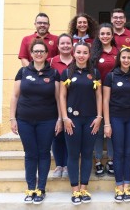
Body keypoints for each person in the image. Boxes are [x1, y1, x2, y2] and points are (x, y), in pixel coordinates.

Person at [10, 39, 62, 204]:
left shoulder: (54, 73)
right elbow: (15, 96)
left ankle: (41, 188)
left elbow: (59, 98)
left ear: (47, 54)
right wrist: (12, 118)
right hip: (24, 120)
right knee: (30, 154)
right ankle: (31, 188)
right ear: (31, 54)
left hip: (47, 120)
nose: (39, 54)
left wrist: (60, 119)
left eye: (42, 51)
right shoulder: (23, 71)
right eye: (35, 51)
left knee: (44, 153)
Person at [59, 42, 102, 205]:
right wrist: (65, 118)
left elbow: (99, 96)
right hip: (72, 120)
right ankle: (74, 190)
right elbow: (62, 97)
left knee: (86, 154)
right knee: (73, 154)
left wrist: (99, 117)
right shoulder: (67, 73)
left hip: (90, 119)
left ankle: (84, 188)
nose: (82, 55)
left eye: (85, 52)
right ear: (74, 53)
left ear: (89, 55)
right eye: (79, 52)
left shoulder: (95, 73)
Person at [103, 46, 130, 203]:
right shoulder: (111, 76)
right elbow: (105, 100)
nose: (126, 60)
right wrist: (107, 123)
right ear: (119, 59)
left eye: (129, 57)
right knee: (118, 152)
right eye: (123, 57)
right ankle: (118, 186)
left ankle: (127, 185)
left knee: (128, 152)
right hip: (116, 118)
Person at [90, 23, 118, 177]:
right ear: (98, 36)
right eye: (103, 34)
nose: (105, 36)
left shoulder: (118, 52)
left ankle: (112, 160)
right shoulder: (94, 53)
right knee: (98, 130)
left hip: (114, 97)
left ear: (112, 35)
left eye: (108, 33)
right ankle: (98, 161)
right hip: (95, 97)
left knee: (111, 131)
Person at [47, 33, 74, 178]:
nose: (65, 46)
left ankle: (68, 165)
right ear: (57, 46)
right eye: (62, 43)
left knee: (70, 135)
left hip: (74, 103)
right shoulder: (50, 62)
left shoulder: (78, 61)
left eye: (68, 43)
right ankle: (59, 165)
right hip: (54, 103)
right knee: (57, 134)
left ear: (72, 45)